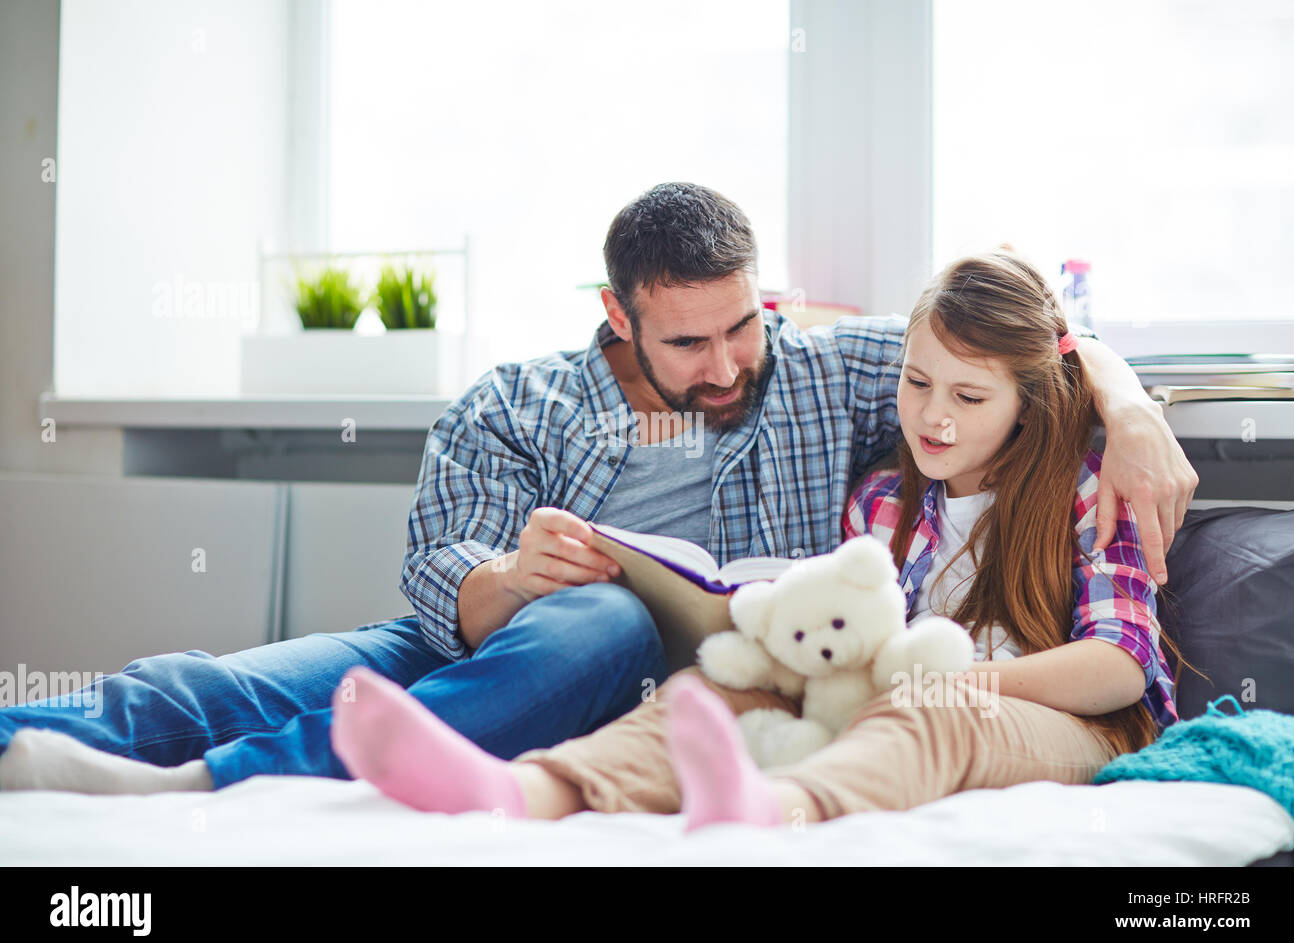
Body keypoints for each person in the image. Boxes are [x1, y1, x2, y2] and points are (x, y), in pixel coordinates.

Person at [0, 186, 1196, 796]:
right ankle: (49, 746)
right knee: (226, 680)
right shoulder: (514, 404)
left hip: (680, 675)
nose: (728, 363)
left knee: (615, 622)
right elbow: (442, 595)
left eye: (743, 323)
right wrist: (518, 578)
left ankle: (217, 789)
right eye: (688, 343)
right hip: (494, 650)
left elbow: (1011, 340)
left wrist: (1131, 410)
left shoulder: (829, 370)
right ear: (615, 315)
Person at [324, 249, 1206, 829]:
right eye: (916, 382)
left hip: (1071, 724)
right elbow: (860, 649)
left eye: (969, 399)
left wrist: (951, 679)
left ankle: (777, 809)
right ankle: (521, 789)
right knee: (714, 693)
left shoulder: (1091, 492)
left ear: (1032, 397)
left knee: (928, 710)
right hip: (897, 700)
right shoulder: (885, 502)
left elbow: (1120, 665)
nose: (932, 417)